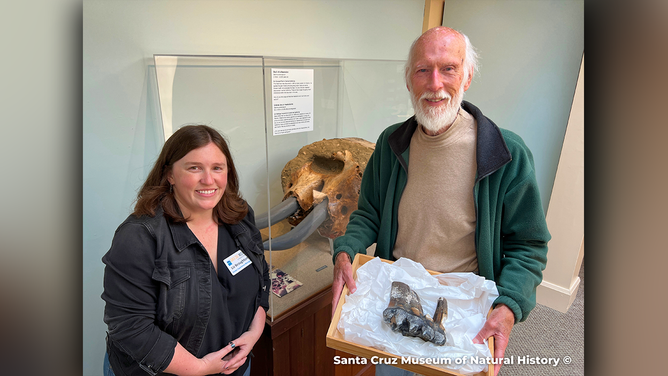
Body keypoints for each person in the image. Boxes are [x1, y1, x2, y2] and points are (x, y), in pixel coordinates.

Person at [331, 27, 551, 376]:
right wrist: (345, 250)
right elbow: (368, 213)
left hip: (465, 312)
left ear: (467, 77)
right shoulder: (391, 143)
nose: (435, 84)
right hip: (398, 297)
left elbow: (529, 245)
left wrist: (510, 305)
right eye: (423, 70)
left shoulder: (507, 154)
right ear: (408, 81)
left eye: (448, 68)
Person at [102, 125, 270, 376]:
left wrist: (253, 333)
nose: (208, 179)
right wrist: (199, 368)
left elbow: (261, 281)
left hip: (235, 366)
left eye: (217, 168)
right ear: (169, 174)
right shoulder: (140, 236)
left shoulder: (240, 216)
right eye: (194, 168)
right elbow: (130, 327)